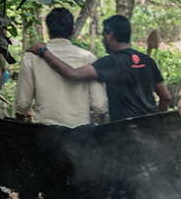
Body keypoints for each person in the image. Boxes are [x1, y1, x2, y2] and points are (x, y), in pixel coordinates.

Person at [25, 14, 170, 122]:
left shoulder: (110, 62)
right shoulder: (148, 61)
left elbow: (72, 74)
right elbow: (166, 97)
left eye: (103, 35)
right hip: (152, 129)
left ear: (109, 35)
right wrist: (156, 119)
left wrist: (44, 52)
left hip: (125, 131)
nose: (102, 39)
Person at [13, 7, 108, 127]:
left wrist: (19, 122)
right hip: (79, 132)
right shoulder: (87, 57)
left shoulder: (31, 57)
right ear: (73, 30)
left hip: (45, 131)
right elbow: (100, 104)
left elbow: (22, 103)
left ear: (48, 30)